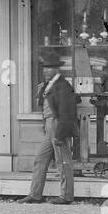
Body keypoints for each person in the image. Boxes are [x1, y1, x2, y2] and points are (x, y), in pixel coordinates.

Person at [24, 54, 78, 204]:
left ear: (57, 69)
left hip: (58, 126)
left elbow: (67, 113)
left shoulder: (63, 86)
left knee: (63, 162)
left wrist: (60, 135)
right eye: (45, 68)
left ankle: (66, 196)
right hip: (50, 126)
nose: (46, 71)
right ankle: (35, 194)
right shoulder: (49, 85)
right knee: (40, 159)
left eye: (50, 68)